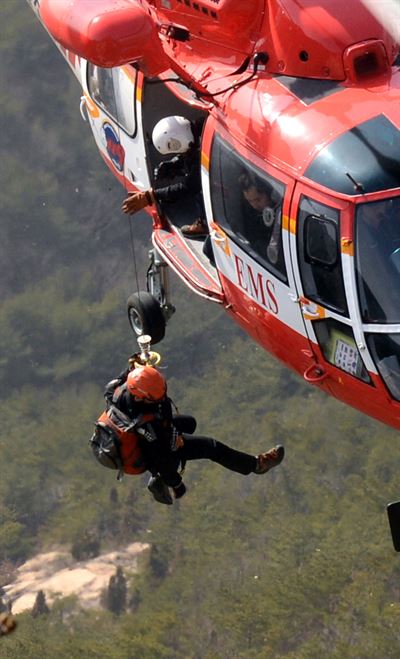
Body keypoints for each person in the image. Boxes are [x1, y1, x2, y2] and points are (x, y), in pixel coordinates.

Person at [104, 363, 285, 504]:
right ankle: (256, 465)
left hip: (149, 434)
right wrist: (176, 484)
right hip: (154, 447)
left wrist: (134, 366)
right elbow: (161, 457)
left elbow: (116, 385)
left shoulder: (120, 390)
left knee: (190, 423)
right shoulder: (150, 428)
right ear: (141, 397)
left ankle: (162, 473)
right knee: (211, 447)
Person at [121, 116, 209, 238]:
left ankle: (205, 224)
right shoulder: (202, 128)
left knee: (208, 250)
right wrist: (173, 164)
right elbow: (190, 153)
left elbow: (189, 187)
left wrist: (151, 196)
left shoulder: (200, 150)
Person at [238, 173, 283, 267]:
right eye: (250, 201)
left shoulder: (282, 215)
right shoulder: (248, 211)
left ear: (270, 194)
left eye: (258, 200)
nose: (254, 205)